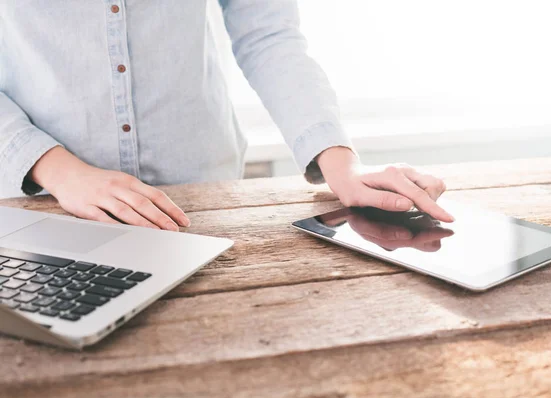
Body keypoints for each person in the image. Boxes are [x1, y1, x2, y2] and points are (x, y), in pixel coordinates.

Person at [0, 1, 453, 231]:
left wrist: (342, 164)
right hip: (42, 202)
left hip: (202, 199)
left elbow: (268, 36)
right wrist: (61, 173)